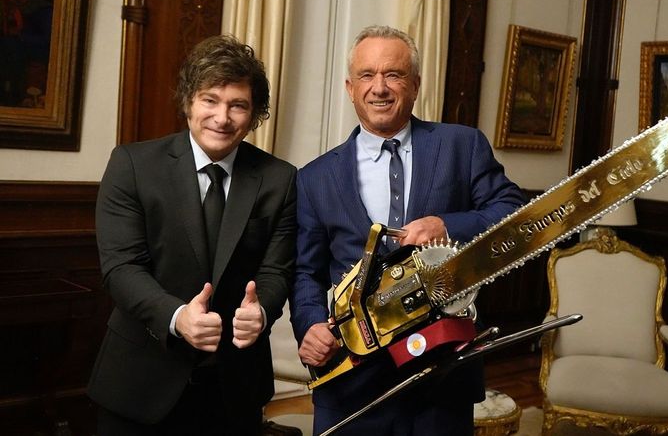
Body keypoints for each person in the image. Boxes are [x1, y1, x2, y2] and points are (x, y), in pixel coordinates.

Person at [290, 25, 528, 436]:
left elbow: (512, 212)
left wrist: (447, 225)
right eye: (367, 75)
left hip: (443, 371)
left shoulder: (462, 145)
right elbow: (305, 272)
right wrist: (310, 323)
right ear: (350, 87)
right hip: (352, 376)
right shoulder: (314, 178)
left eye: (393, 75)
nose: (379, 87)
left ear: (415, 85)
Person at [88, 35, 296, 436]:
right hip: (139, 383)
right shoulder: (132, 164)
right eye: (210, 100)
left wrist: (263, 312)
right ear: (188, 102)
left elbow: (277, 271)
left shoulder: (279, 179)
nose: (223, 117)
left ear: (254, 116)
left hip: (233, 389)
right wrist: (176, 315)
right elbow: (120, 267)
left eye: (238, 105)